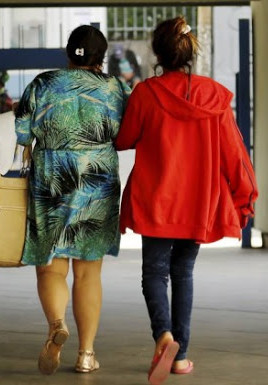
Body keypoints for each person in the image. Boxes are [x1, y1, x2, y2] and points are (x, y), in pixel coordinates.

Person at [115, 17, 258, 385]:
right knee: (183, 273)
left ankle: (163, 335)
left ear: (158, 53)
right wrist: (245, 198)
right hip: (198, 201)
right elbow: (234, 154)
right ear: (191, 51)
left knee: (154, 273)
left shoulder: (146, 94)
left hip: (157, 200)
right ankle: (181, 356)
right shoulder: (215, 96)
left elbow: (125, 139)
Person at [15, 25, 130, 375]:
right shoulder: (116, 88)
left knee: (51, 265)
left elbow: (22, 131)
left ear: (68, 53)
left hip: (51, 174)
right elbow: (127, 134)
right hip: (97, 177)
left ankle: (56, 324)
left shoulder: (42, 84)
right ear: (102, 56)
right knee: (88, 271)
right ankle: (86, 353)